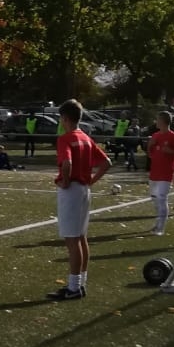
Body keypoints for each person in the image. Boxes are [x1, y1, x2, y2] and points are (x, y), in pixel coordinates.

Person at [48, 98, 110, 302]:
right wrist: (91, 181)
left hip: (72, 191)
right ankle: (80, 283)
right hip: (84, 189)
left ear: (65, 118)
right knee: (81, 237)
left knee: (72, 240)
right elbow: (106, 163)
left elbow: (67, 163)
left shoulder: (65, 139)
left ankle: (74, 287)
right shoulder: (85, 137)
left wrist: (65, 181)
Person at [144, 110, 174, 236]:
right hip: (154, 173)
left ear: (163, 121)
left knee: (162, 198)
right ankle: (158, 223)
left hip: (166, 173)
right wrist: (150, 146)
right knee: (154, 198)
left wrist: (171, 151)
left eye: (158, 119)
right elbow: (150, 154)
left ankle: (161, 228)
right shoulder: (155, 135)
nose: (156, 121)